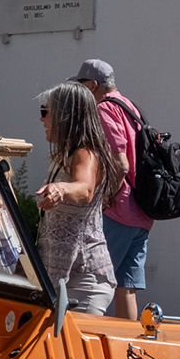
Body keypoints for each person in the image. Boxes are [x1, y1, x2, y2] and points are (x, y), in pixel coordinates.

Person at [35, 81, 127, 312]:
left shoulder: (86, 153)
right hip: (66, 281)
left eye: (46, 111)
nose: (42, 119)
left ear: (66, 116)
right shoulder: (65, 156)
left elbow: (84, 189)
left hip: (83, 284)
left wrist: (62, 189)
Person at [77, 60, 153, 319]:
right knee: (126, 287)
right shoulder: (131, 107)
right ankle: (128, 350)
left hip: (119, 209)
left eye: (81, 85)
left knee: (95, 280)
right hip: (142, 210)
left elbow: (120, 163)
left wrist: (108, 197)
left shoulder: (105, 109)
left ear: (92, 85)